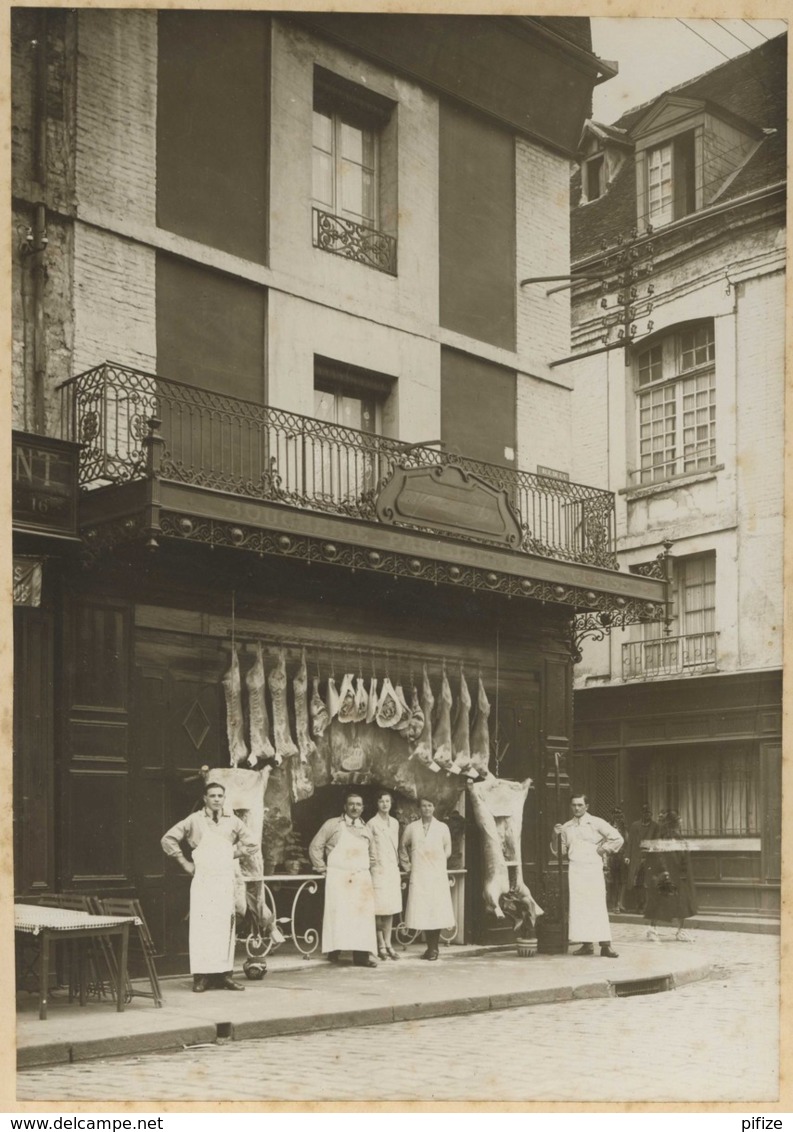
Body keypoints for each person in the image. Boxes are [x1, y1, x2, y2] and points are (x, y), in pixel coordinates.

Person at [161, 781, 259, 992]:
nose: (216, 799)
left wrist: (232, 854)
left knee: (224, 928)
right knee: (202, 928)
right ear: (205, 798)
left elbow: (252, 843)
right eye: (212, 796)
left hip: (224, 881)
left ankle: (225, 975)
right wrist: (184, 863)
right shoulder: (194, 820)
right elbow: (168, 839)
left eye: (220, 796)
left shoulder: (233, 821)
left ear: (224, 799)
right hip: (203, 882)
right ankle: (201, 977)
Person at [309, 792, 379, 967]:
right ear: (345, 807)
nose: (355, 808)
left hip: (360, 878)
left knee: (361, 917)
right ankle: (334, 950)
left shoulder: (366, 829)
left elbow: (373, 856)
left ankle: (361, 956)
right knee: (338, 914)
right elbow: (315, 846)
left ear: (363, 808)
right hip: (338, 877)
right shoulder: (332, 825)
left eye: (358, 804)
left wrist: (362, 867)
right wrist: (322, 868)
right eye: (351, 804)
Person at [554, 794, 624, 958]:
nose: (576, 808)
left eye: (580, 805)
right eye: (574, 805)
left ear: (587, 806)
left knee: (596, 904)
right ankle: (586, 945)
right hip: (575, 869)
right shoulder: (566, 827)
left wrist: (603, 849)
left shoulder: (597, 822)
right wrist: (554, 835)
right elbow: (560, 852)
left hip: (592, 868)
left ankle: (606, 945)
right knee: (580, 907)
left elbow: (617, 838)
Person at [399, 798, 455, 960]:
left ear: (434, 807)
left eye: (430, 805)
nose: (426, 808)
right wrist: (408, 867)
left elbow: (448, 848)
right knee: (422, 910)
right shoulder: (412, 828)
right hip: (419, 874)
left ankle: (434, 948)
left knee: (435, 909)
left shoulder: (442, 827)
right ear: (419, 808)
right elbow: (402, 847)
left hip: (436, 875)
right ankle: (430, 948)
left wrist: (438, 862)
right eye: (423, 806)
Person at [643, 809, 698, 942]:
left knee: (682, 902)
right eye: (678, 820)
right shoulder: (661, 837)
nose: (680, 822)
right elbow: (659, 856)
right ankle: (652, 929)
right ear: (672, 823)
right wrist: (664, 872)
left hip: (679, 875)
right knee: (659, 901)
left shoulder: (677, 837)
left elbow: (682, 854)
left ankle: (681, 931)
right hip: (666, 874)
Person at [366, 790, 402, 961]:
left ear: (391, 803)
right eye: (381, 801)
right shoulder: (371, 824)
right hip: (378, 871)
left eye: (387, 801)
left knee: (390, 909)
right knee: (378, 910)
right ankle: (380, 945)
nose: (384, 804)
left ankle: (389, 944)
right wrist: (374, 866)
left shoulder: (395, 823)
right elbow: (370, 849)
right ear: (377, 804)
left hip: (392, 871)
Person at [625, 804, 659, 913]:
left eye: (649, 813)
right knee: (636, 882)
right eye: (645, 813)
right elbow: (630, 842)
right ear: (642, 813)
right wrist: (627, 856)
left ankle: (647, 906)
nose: (647, 815)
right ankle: (639, 905)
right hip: (636, 857)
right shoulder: (635, 826)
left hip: (649, 858)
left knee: (648, 883)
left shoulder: (655, 826)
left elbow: (657, 842)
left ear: (651, 814)